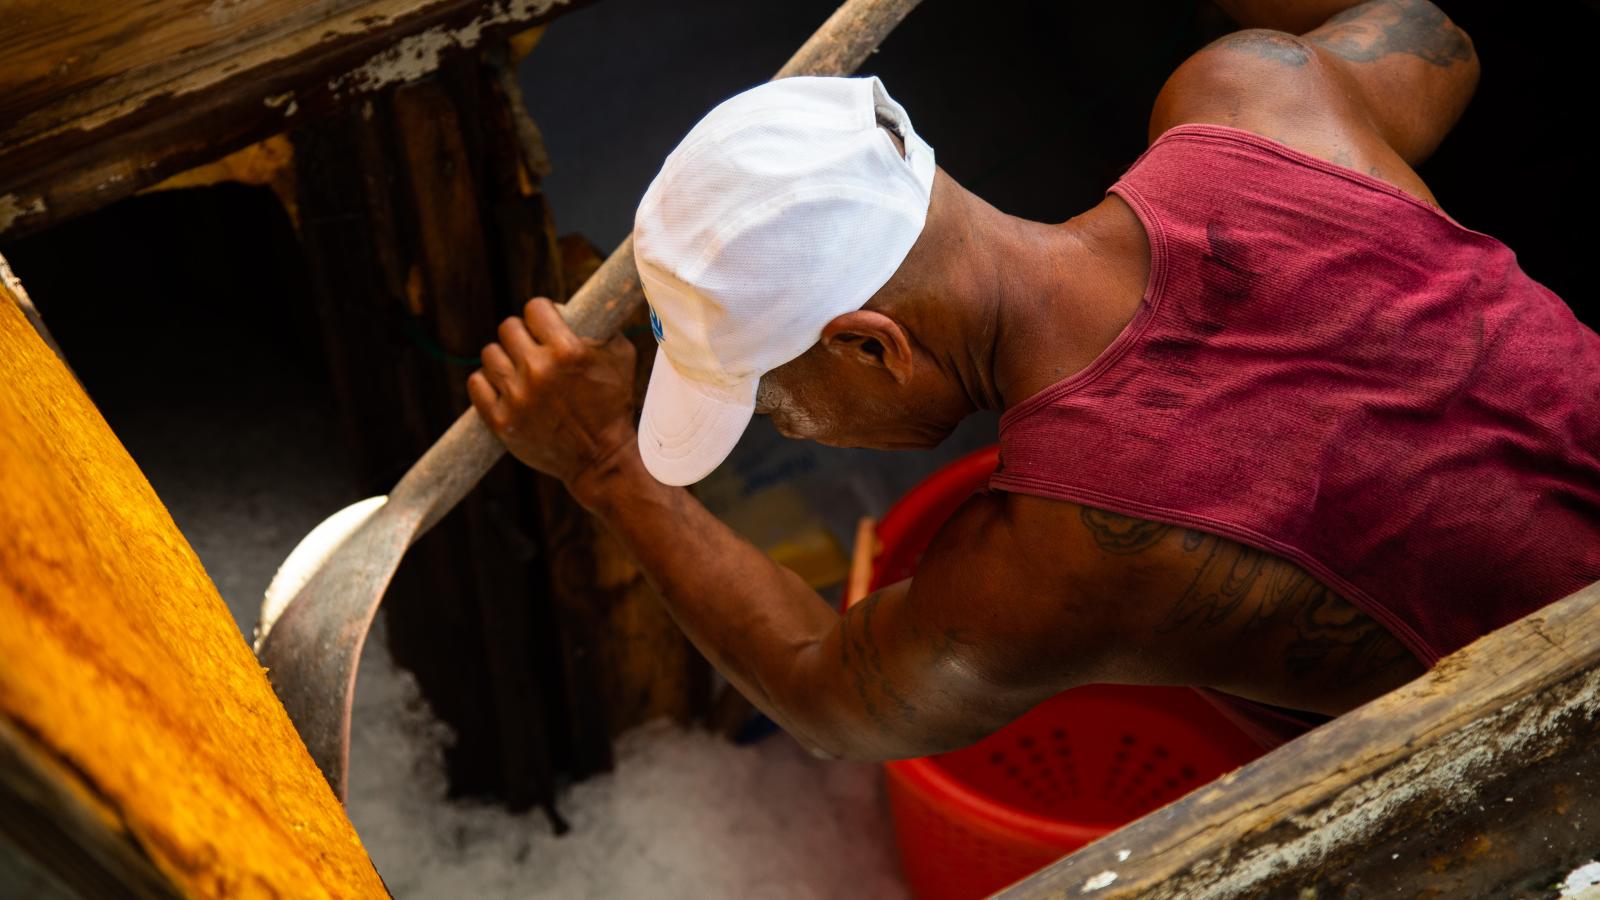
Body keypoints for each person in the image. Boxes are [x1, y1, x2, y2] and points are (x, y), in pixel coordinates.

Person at [466, 0, 1600, 756]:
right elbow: (1434, 34)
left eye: (774, 396)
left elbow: (821, 687)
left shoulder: (1057, 558)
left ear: (871, 344)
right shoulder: (1260, 99)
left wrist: (608, 464)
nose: (794, 430)